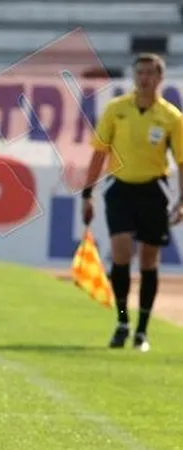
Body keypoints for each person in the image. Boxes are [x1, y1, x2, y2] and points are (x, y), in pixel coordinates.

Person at [82, 52, 183, 352]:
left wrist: (180, 201)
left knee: (149, 260)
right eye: (139, 72)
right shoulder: (116, 109)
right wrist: (88, 194)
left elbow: (181, 160)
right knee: (121, 252)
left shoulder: (171, 117)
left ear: (159, 78)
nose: (143, 78)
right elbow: (99, 152)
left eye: (150, 73)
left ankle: (142, 330)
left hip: (154, 190)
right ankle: (122, 321)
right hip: (121, 189)